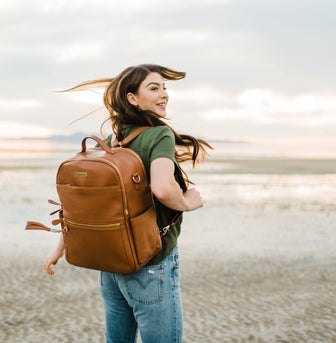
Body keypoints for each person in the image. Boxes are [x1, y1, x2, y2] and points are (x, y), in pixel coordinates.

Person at [43, 64, 211, 343]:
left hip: (111, 263)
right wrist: (187, 203)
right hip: (149, 263)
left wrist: (60, 247)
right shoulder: (159, 135)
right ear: (132, 98)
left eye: (165, 88)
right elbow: (161, 188)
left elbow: (88, 205)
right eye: (154, 88)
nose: (164, 94)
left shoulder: (114, 139)